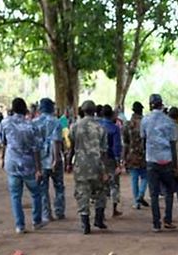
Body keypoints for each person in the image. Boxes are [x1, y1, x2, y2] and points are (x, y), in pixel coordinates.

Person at [0, 97, 44, 234]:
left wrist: (3, 158)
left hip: (12, 163)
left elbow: (3, 142)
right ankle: (37, 221)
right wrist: (38, 169)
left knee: (15, 195)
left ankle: (20, 225)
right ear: (25, 109)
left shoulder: (5, 123)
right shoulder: (31, 125)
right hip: (29, 164)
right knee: (36, 193)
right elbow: (36, 148)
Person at [139, 94, 178, 231]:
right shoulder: (169, 121)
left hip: (152, 160)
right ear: (161, 104)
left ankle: (156, 223)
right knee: (169, 191)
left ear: (150, 105)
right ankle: (168, 219)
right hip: (166, 159)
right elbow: (173, 143)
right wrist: (175, 164)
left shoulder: (145, 120)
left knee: (154, 194)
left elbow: (143, 140)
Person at [71, 100, 109, 234]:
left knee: (82, 193)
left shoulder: (75, 127)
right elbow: (104, 151)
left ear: (82, 110)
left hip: (80, 165)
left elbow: (72, 146)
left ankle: (85, 223)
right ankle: (99, 219)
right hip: (97, 164)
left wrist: (70, 163)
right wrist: (105, 170)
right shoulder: (101, 128)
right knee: (100, 192)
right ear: (95, 111)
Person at [33, 98, 66, 222]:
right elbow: (57, 141)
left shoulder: (34, 123)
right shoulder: (56, 122)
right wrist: (56, 159)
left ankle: (47, 214)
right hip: (54, 158)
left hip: (40, 160)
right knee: (59, 187)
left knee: (43, 188)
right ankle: (59, 211)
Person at [98, 104, 123, 217]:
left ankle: (101, 211)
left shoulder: (97, 126)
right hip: (111, 158)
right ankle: (114, 209)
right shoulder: (114, 128)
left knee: (101, 184)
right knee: (114, 184)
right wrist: (119, 162)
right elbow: (116, 146)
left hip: (98, 158)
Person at [122, 101, 147, 209]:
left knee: (134, 178)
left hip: (132, 154)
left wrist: (123, 157)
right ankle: (141, 194)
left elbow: (125, 142)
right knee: (146, 177)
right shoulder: (145, 122)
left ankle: (136, 202)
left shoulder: (127, 124)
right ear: (141, 110)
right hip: (144, 153)